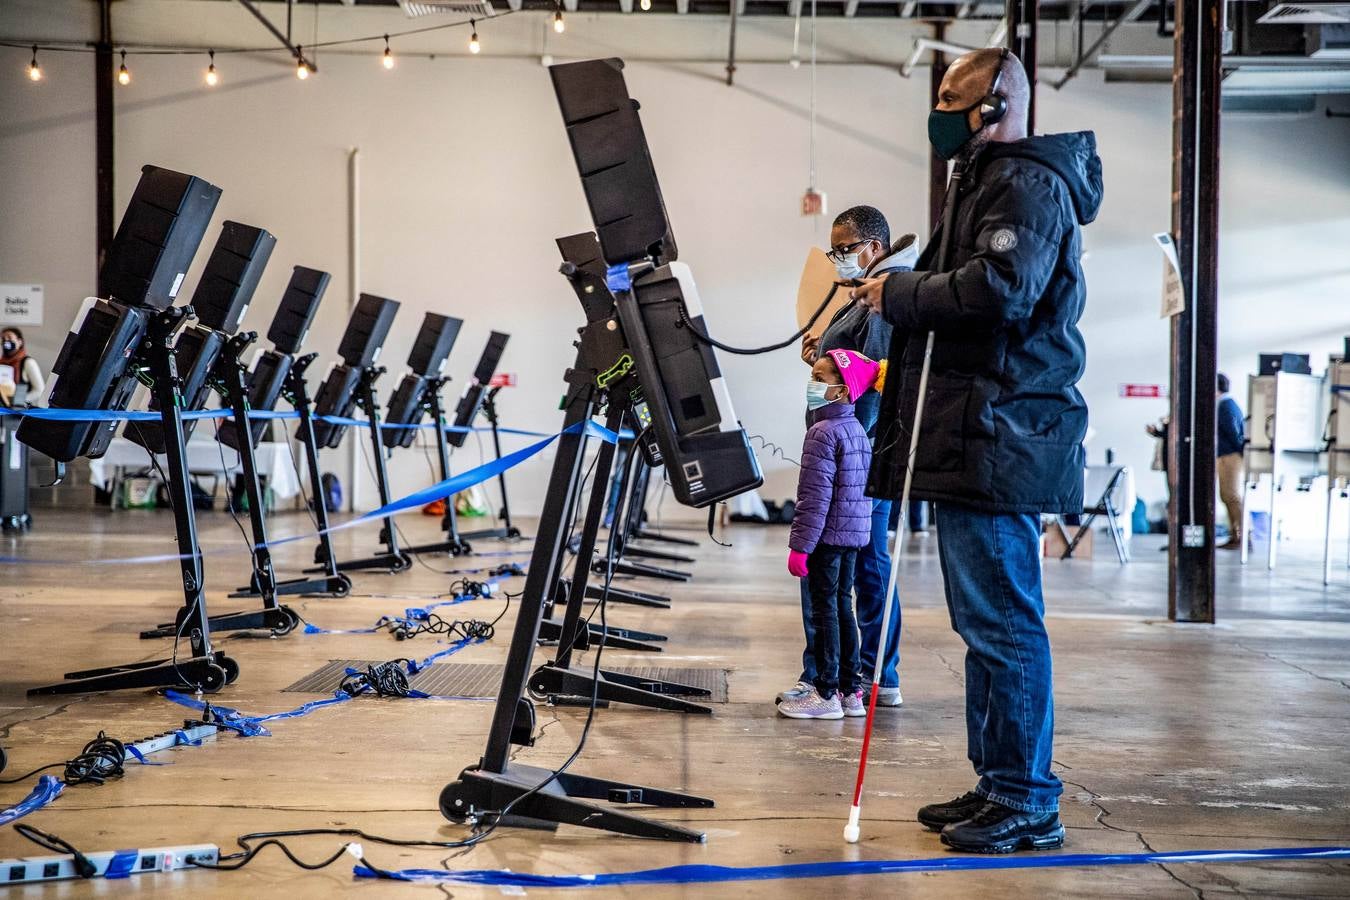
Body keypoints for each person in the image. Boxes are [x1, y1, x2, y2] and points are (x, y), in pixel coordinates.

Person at [853, 47, 1101, 853]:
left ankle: (1030, 799)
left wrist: (898, 293)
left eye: (952, 96)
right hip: (975, 437)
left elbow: (1000, 291)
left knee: (1004, 624)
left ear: (993, 104)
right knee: (982, 623)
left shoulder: (1024, 184)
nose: (940, 110)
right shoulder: (984, 183)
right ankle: (999, 785)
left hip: (1003, 439)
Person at [779, 206, 917, 711]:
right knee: (865, 567)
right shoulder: (866, 296)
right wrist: (824, 354)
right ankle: (863, 676)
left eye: (845, 248)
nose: (838, 258)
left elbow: (876, 380)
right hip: (859, 457)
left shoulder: (883, 297)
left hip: (858, 460)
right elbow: (853, 367)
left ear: (874, 246)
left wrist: (848, 457)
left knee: (846, 570)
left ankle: (839, 680)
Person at [778, 349, 879, 720]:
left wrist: (800, 546)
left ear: (842, 391)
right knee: (842, 606)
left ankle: (825, 692)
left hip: (826, 538)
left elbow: (814, 497)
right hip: (851, 536)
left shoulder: (822, 432)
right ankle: (851, 690)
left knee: (825, 613)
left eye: (820, 379)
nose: (812, 384)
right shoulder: (856, 430)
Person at [1216, 373, 1245, 549]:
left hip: (1231, 456)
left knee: (1232, 496)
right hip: (1226, 455)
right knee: (1226, 496)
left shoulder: (1227, 405)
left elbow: (1235, 433)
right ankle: (1235, 535)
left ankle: (1242, 536)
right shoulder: (1223, 405)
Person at [0, 327, 44, 406]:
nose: (6, 341)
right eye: (3, 339)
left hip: (22, 412)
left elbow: (39, 390)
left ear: (20, 342)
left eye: (9, 337)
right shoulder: (1, 363)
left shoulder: (28, 362)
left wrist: (18, 401)